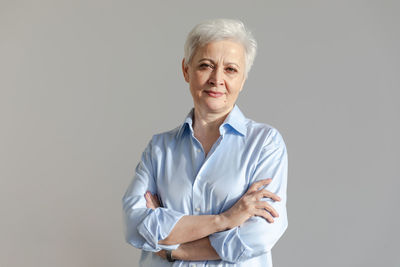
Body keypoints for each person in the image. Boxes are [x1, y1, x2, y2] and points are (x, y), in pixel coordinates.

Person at [122, 18, 288, 266]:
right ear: (186, 70)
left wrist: (173, 250)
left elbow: (258, 236)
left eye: (230, 69)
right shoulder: (159, 149)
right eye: (206, 65)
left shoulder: (265, 144)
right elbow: (135, 225)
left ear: (243, 79)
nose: (217, 78)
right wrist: (226, 220)